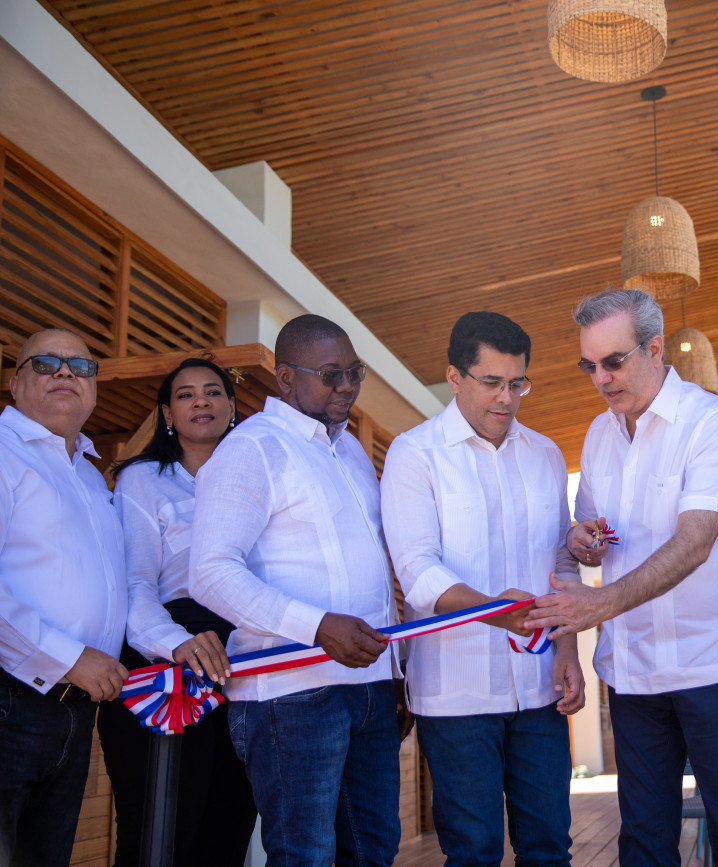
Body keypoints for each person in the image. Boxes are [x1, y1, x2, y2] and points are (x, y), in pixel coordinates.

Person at [525, 288, 718, 866]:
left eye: (613, 361)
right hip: (633, 671)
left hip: (713, 664)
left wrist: (600, 603)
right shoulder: (598, 434)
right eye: (589, 365)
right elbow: (593, 536)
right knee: (643, 844)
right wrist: (584, 541)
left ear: (655, 349)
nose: (600, 379)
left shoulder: (710, 421)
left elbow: (695, 543)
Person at [190, 313, 404, 867]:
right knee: (303, 857)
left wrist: (395, 673)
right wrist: (317, 626)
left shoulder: (352, 451)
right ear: (285, 378)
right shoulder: (251, 448)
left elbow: (374, 571)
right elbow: (211, 572)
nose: (348, 386)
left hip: (370, 689)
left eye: (355, 372)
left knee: (374, 852)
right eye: (331, 375)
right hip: (291, 696)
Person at [381, 312, 584, 867]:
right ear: (455, 377)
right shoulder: (414, 453)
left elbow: (561, 561)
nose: (507, 398)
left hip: (539, 687)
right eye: (492, 382)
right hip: (456, 693)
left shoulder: (546, 454)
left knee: (550, 847)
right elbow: (417, 571)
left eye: (518, 383)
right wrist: (495, 612)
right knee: (473, 852)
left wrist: (568, 649)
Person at [96, 357, 257, 866]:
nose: (201, 401)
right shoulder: (142, 479)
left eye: (213, 391)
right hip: (166, 656)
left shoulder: (260, 477)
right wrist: (176, 643)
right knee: (160, 833)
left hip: (245, 660)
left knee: (229, 825)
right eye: (185, 394)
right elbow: (136, 583)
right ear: (167, 413)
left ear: (232, 406)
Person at [0, 328, 128, 867]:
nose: (65, 373)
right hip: (10, 700)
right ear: (14, 383)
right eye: (45, 363)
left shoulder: (92, 478)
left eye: (80, 366)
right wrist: (70, 658)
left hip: (74, 712)